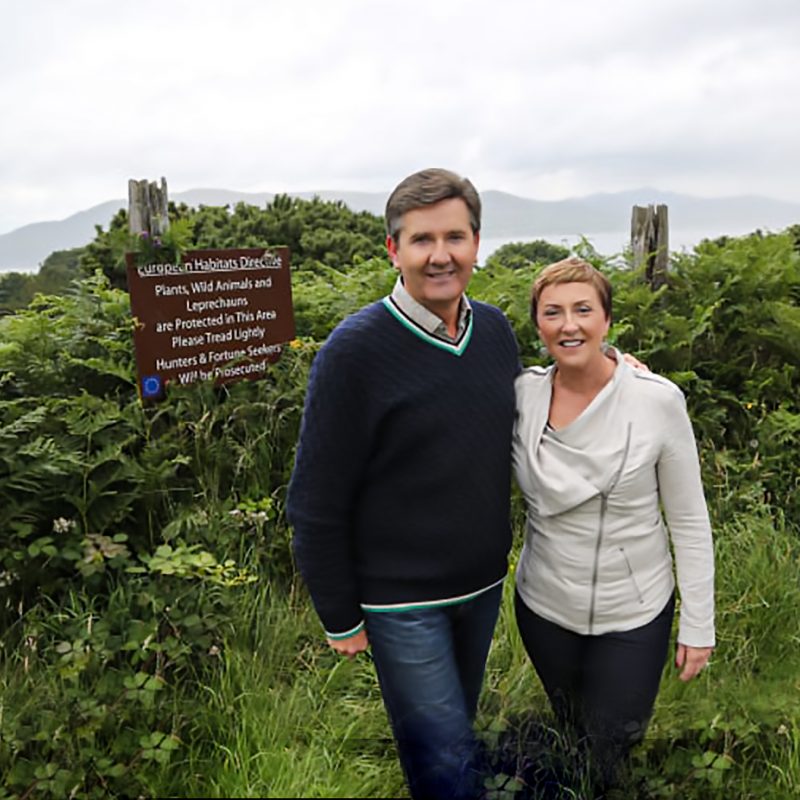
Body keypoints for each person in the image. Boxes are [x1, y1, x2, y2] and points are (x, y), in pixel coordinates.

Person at [286, 168, 521, 799]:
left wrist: (612, 368)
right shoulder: (354, 352)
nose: (440, 255)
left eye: (455, 237)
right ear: (393, 249)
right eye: (421, 240)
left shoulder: (495, 331)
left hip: (482, 585)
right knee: (447, 770)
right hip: (400, 603)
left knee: (454, 739)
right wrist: (340, 616)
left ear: (477, 243)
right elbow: (314, 501)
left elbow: (544, 406)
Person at [512, 257, 715, 789]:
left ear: (606, 320)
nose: (568, 324)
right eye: (552, 312)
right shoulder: (522, 396)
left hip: (634, 611)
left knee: (612, 744)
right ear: (538, 325)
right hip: (544, 605)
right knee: (571, 731)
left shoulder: (656, 402)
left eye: (583, 309)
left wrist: (699, 623)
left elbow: (689, 520)